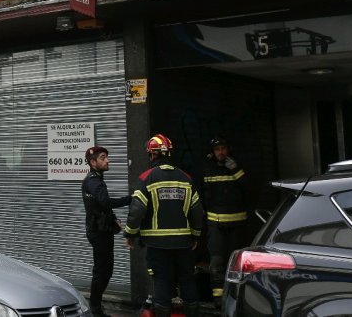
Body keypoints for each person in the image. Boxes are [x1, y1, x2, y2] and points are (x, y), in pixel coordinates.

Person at [123, 134, 204, 317]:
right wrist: (196, 235)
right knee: (187, 280)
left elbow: (136, 211)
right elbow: (198, 211)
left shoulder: (147, 177)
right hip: (184, 243)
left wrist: (130, 234)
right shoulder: (186, 178)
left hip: (157, 244)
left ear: (152, 155)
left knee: (161, 281)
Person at [82, 145, 130, 317]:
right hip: (98, 232)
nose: (107, 160)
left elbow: (100, 206)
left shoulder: (96, 179)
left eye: (107, 157)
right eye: (103, 158)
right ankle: (95, 309)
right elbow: (105, 202)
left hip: (101, 230)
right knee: (102, 271)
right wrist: (130, 199)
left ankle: (96, 307)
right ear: (93, 162)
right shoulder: (93, 181)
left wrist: (113, 218)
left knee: (105, 270)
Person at [201, 136, 248, 304]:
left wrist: (236, 170)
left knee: (236, 261)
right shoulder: (208, 169)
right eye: (217, 149)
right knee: (217, 262)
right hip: (216, 224)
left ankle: (236, 298)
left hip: (237, 224)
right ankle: (218, 300)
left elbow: (249, 188)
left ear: (228, 150)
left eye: (223, 148)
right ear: (212, 152)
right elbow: (203, 196)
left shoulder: (238, 167)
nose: (221, 152)